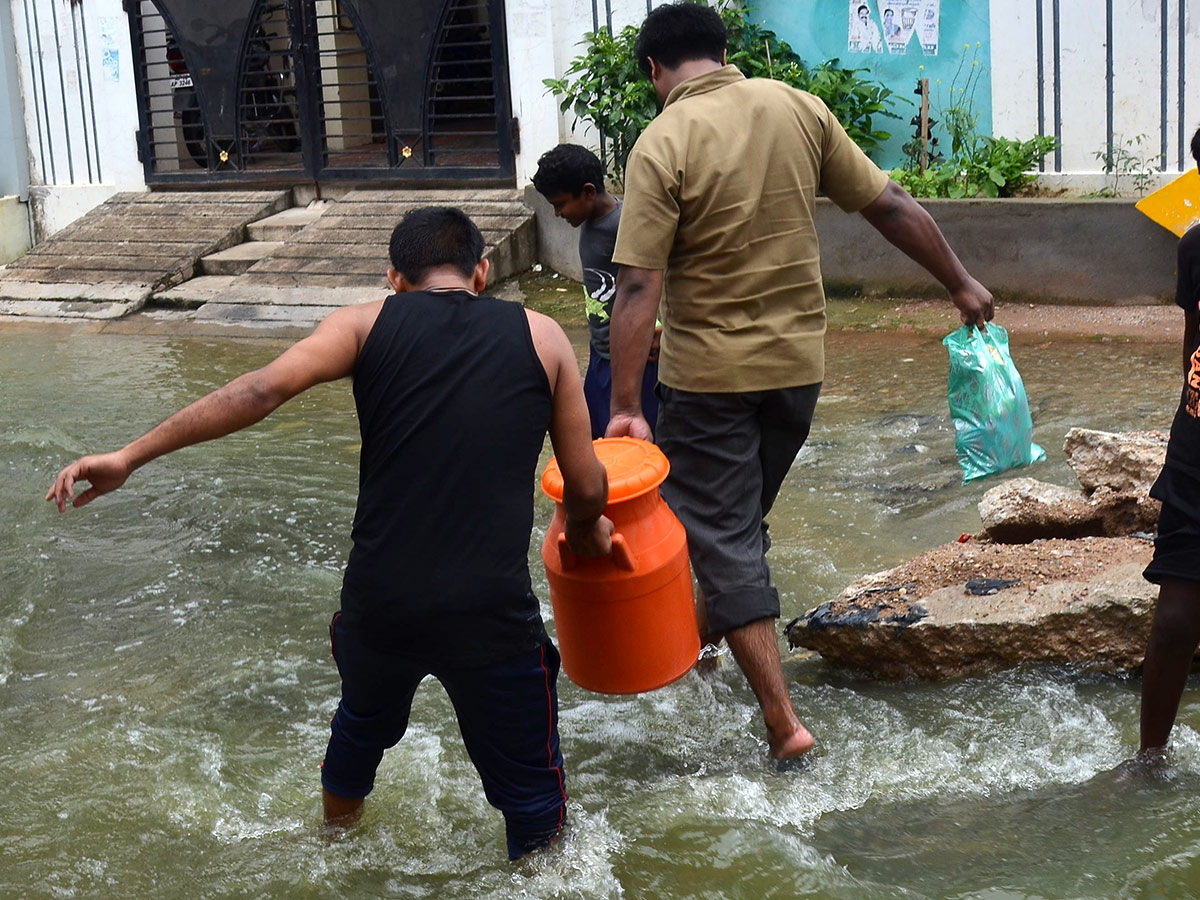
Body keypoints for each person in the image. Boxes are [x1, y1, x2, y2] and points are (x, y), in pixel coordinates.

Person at [45, 206, 614, 859]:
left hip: (381, 604)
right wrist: (588, 531)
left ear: (394, 278)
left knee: (359, 730)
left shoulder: (362, 324)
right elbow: (586, 482)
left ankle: (336, 845)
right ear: (481, 272)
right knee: (535, 800)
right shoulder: (544, 338)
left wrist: (127, 456)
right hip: (490, 612)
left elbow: (258, 391)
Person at [605, 3, 993, 760]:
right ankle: (707, 648)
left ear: (654, 70)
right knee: (734, 525)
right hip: (797, 372)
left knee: (722, 535)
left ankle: (784, 726)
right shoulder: (798, 108)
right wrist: (961, 281)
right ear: (723, 51)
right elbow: (888, 203)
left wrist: (624, 405)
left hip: (710, 378)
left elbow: (638, 284)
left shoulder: (661, 142)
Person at [1139, 127, 1200, 763]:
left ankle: (1149, 756)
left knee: (1181, 613)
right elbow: (1193, 343)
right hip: (1196, 443)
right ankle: (1151, 756)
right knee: (1179, 614)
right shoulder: (1196, 245)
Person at [532, 143, 660, 439]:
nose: (556, 213)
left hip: (633, 356)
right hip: (601, 350)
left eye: (561, 204)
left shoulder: (625, 224)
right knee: (599, 436)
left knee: (635, 442)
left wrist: (658, 326)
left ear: (588, 192)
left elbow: (656, 276)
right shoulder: (589, 221)